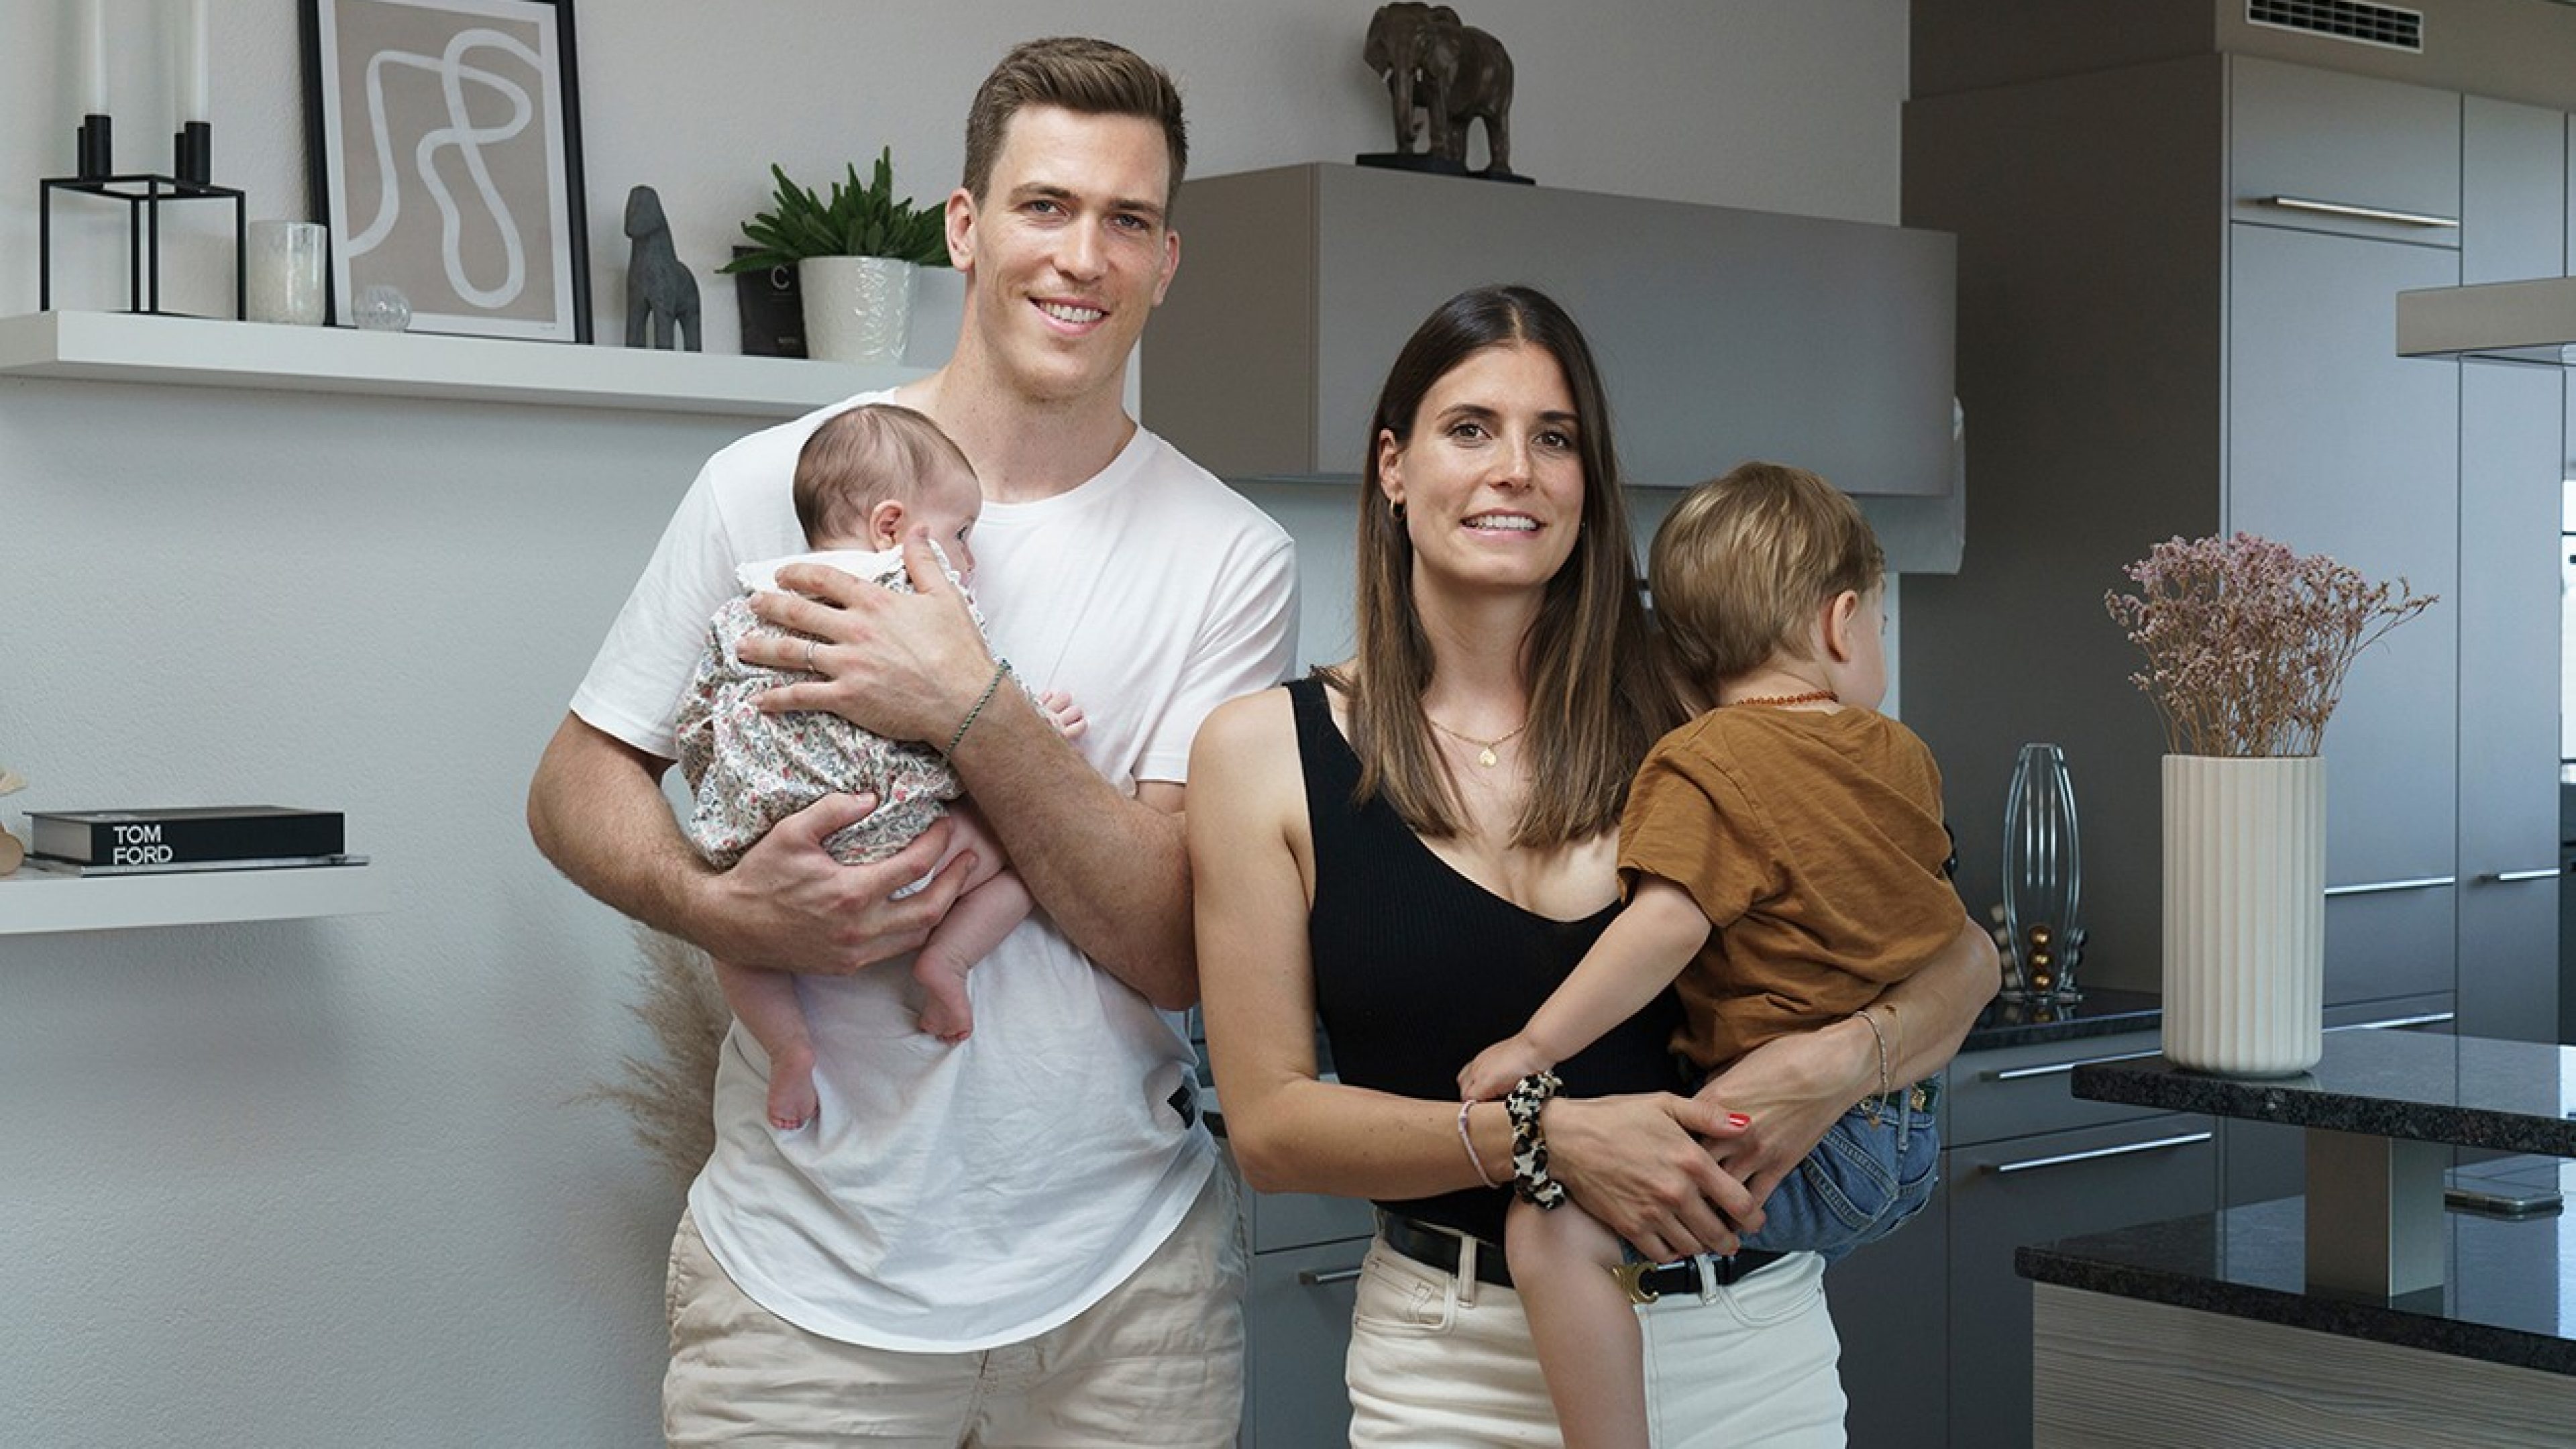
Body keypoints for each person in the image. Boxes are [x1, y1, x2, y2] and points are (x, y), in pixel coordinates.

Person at [527, 36, 1298, 1447]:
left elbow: (1172, 941)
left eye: (1127, 220)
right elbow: (578, 780)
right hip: (799, 1300)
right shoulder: (763, 483)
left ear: (1168, 259)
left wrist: (963, 703)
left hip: (1126, 1303)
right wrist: (718, 903)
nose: (1083, 256)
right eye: (1044, 206)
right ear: (965, 225)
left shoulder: (1229, 556)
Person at [1189, 284, 1998, 1448]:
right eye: (1471, 429)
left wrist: (1832, 1065)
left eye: (1554, 438)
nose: (1515, 468)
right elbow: (1271, 1131)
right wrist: (1539, 1136)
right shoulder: (1264, 754)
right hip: (1452, 1371)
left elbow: (1958, 960)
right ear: (1394, 467)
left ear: (1588, 485)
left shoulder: (1703, 716)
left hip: (1748, 1350)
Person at [1457, 460, 1966, 1449]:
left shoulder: (1702, 763)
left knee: (1548, 1227)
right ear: (1839, 623)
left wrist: (1533, 1044)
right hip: (1903, 1133)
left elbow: (1663, 929)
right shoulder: (1900, 753)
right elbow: (1945, 929)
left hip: (1792, 1153)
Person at [676, 403, 1089, 1134]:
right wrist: (1042, 728)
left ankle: (789, 1047)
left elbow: (694, 720)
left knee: (728, 934)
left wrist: (722, 798)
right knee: (1033, 857)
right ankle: (947, 964)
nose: (969, 559)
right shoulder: (919, 598)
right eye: (962, 535)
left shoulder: (748, 603)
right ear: (892, 529)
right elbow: (978, 689)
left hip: (765, 842)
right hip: (893, 828)